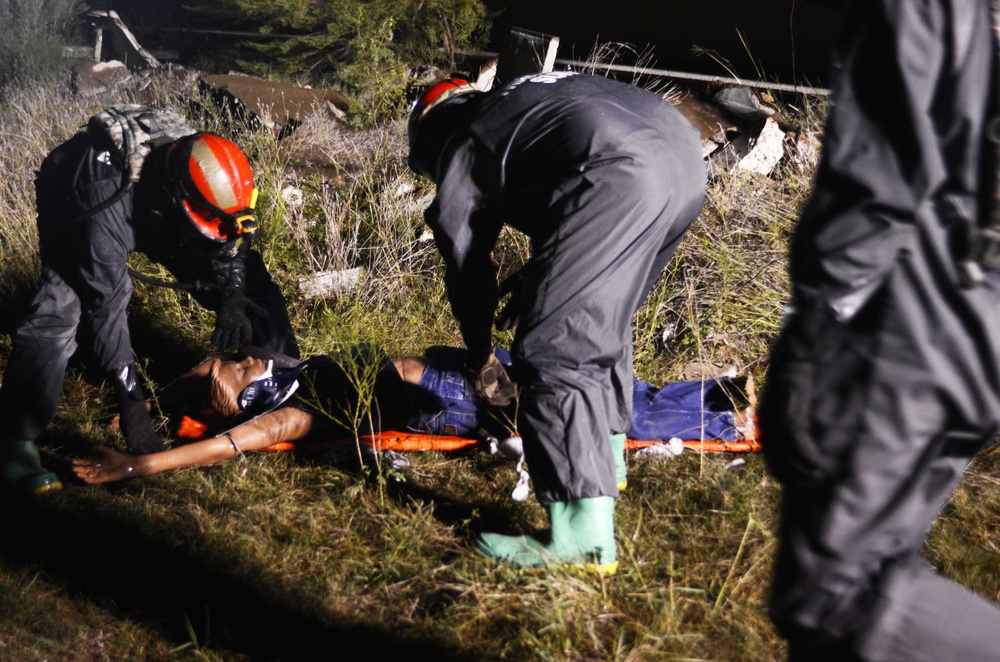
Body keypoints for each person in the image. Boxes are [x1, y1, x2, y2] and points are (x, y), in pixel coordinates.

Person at [758, 1, 1000, 659]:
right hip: (970, 309)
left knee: (839, 597)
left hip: (911, 317)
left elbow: (882, 165)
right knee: (879, 559)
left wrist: (824, 316)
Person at [407, 71, 706, 573]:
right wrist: (537, 279)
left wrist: (480, 353)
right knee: (602, 317)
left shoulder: (465, 135)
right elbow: (566, 164)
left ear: (429, 131)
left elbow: (466, 263)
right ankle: (607, 459)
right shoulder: (520, 98)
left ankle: (582, 540)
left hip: (620, 173)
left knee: (557, 343)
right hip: (683, 162)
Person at [0, 104, 299, 496]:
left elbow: (235, 236)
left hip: (170, 206)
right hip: (77, 197)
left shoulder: (215, 172)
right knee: (63, 307)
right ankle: (12, 441)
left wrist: (232, 295)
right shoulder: (101, 206)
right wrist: (130, 401)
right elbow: (106, 308)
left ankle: (285, 381)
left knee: (253, 291)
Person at [72, 344, 753, 484]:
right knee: (589, 410)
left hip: (461, 368)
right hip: (454, 402)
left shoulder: (280, 373)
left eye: (237, 358)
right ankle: (724, 419)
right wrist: (138, 460)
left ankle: (720, 395)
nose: (245, 361)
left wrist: (148, 402)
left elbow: (199, 368)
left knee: (599, 385)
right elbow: (222, 448)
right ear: (231, 402)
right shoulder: (290, 412)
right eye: (234, 372)